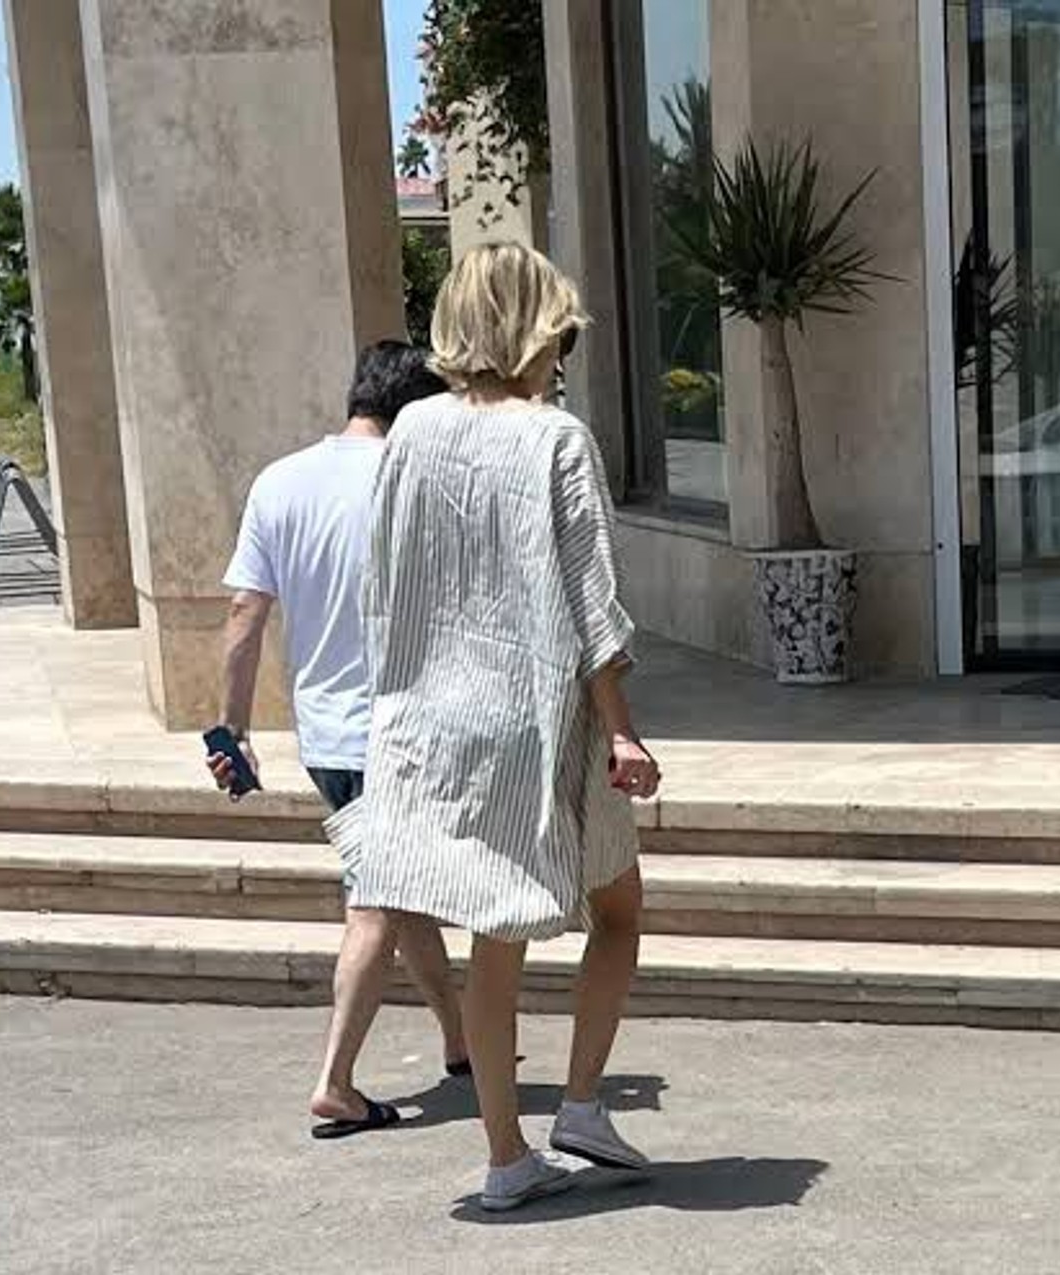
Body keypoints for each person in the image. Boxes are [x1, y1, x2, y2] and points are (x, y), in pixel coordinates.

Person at [328, 243, 661, 1211]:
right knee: (618, 914)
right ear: (532, 332)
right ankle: (580, 1104)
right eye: (558, 335)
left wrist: (393, 700)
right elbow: (591, 601)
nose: (560, 353)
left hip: (435, 721)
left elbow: (384, 577)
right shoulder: (555, 438)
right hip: (540, 720)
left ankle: (510, 1152)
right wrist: (622, 730)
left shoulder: (414, 430)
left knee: (493, 941)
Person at [210, 340, 467, 1138]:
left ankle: (460, 1039)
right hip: (401, 730)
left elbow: (245, 613)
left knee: (398, 892)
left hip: (324, 736)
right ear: (418, 409)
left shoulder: (279, 481)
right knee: (376, 904)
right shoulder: (418, 480)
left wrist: (232, 728)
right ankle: (336, 1082)